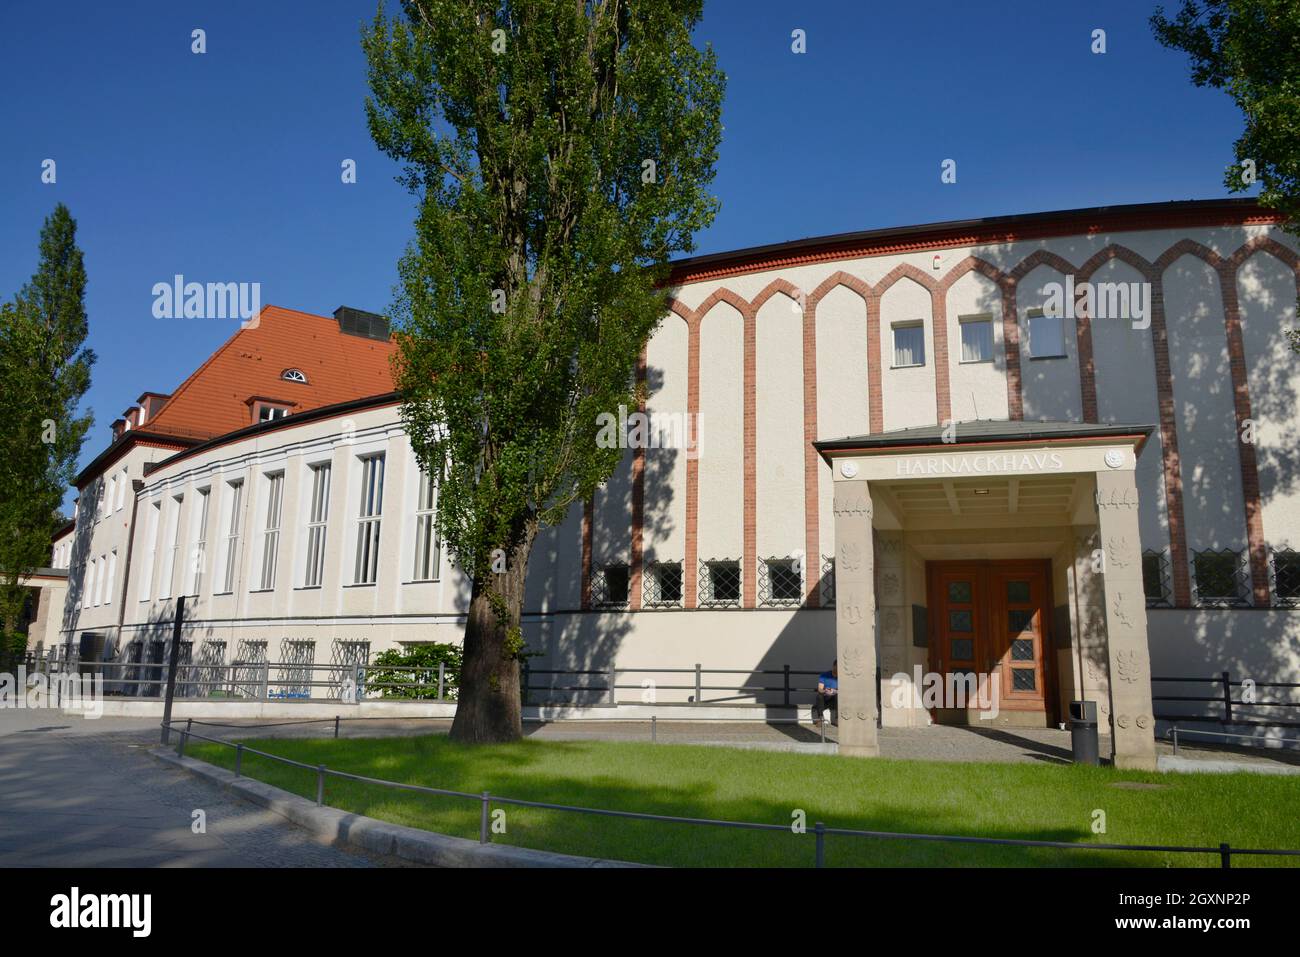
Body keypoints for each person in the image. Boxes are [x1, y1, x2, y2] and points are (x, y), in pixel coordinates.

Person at [812, 660, 838, 726]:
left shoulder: (842, 676)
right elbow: (820, 689)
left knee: (838, 696)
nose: (838, 668)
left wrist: (834, 691)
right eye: (837, 666)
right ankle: (820, 719)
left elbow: (844, 690)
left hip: (835, 699)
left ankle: (837, 719)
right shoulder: (824, 675)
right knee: (819, 696)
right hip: (826, 698)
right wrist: (825, 690)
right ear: (834, 666)